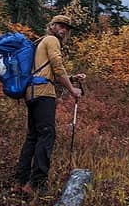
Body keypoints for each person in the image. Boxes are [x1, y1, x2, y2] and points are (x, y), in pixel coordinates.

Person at [13, 15, 84, 196]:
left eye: (67, 28)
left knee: (33, 136)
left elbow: (47, 72)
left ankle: (20, 181)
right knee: (47, 135)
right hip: (44, 94)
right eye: (61, 25)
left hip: (32, 92)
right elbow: (57, 66)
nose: (64, 29)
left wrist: (73, 78)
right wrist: (72, 89)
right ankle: (37, 183)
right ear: (52, 26)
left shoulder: (39, 42)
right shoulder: (52, 40)